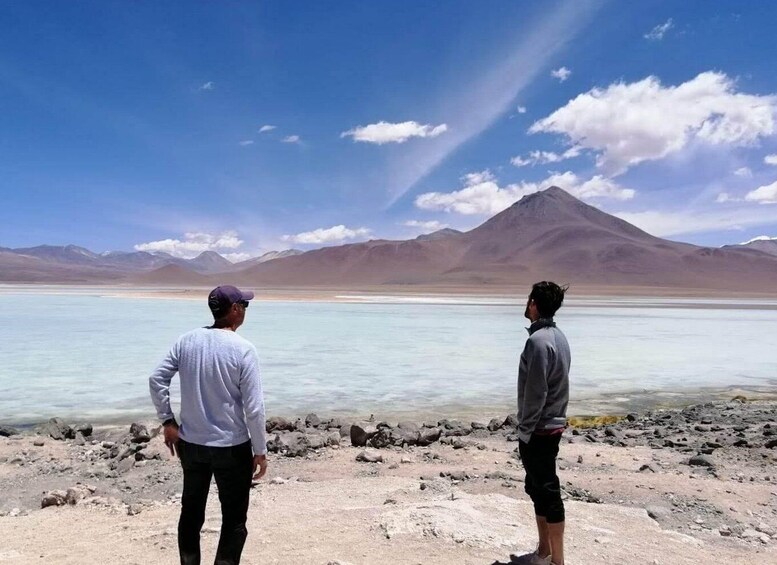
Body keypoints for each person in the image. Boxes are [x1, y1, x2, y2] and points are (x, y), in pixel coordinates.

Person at [149, 284, 268, 565]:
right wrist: (260, 450)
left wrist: (168, 421)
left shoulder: (186, 341)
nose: (246, 311)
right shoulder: (244, 350)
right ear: (235, 310)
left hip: (191, 445)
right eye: (245, 305)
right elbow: (254, 408)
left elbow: (156, 379)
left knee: (191, 513)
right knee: (234, 520)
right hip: (231, 447)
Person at [516, 281, 571, 565]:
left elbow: (537, 393)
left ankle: (557, 559)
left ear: (535, 303)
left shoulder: (537, 342)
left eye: (529, 300)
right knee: (538, 487)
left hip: (539, 429)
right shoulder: (558, 337)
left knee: (547, 490)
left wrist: (524, 429)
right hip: (552, 424)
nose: (526, 304)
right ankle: (543, 550)